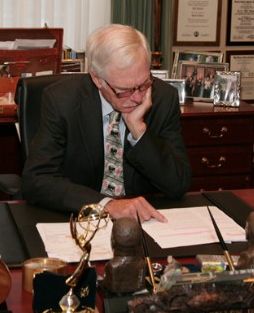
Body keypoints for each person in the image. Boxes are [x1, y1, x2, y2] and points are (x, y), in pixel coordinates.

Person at [21, 24, 191, 222]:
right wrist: (107, 205)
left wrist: (140, 132)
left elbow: (179, 184)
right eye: (124, 90)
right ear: (97, 79)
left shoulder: (163, 98)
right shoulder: (62, 100)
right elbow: (37, 180)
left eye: (144, 83)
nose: (137, 98)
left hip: (144, 222)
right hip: (79, 221)